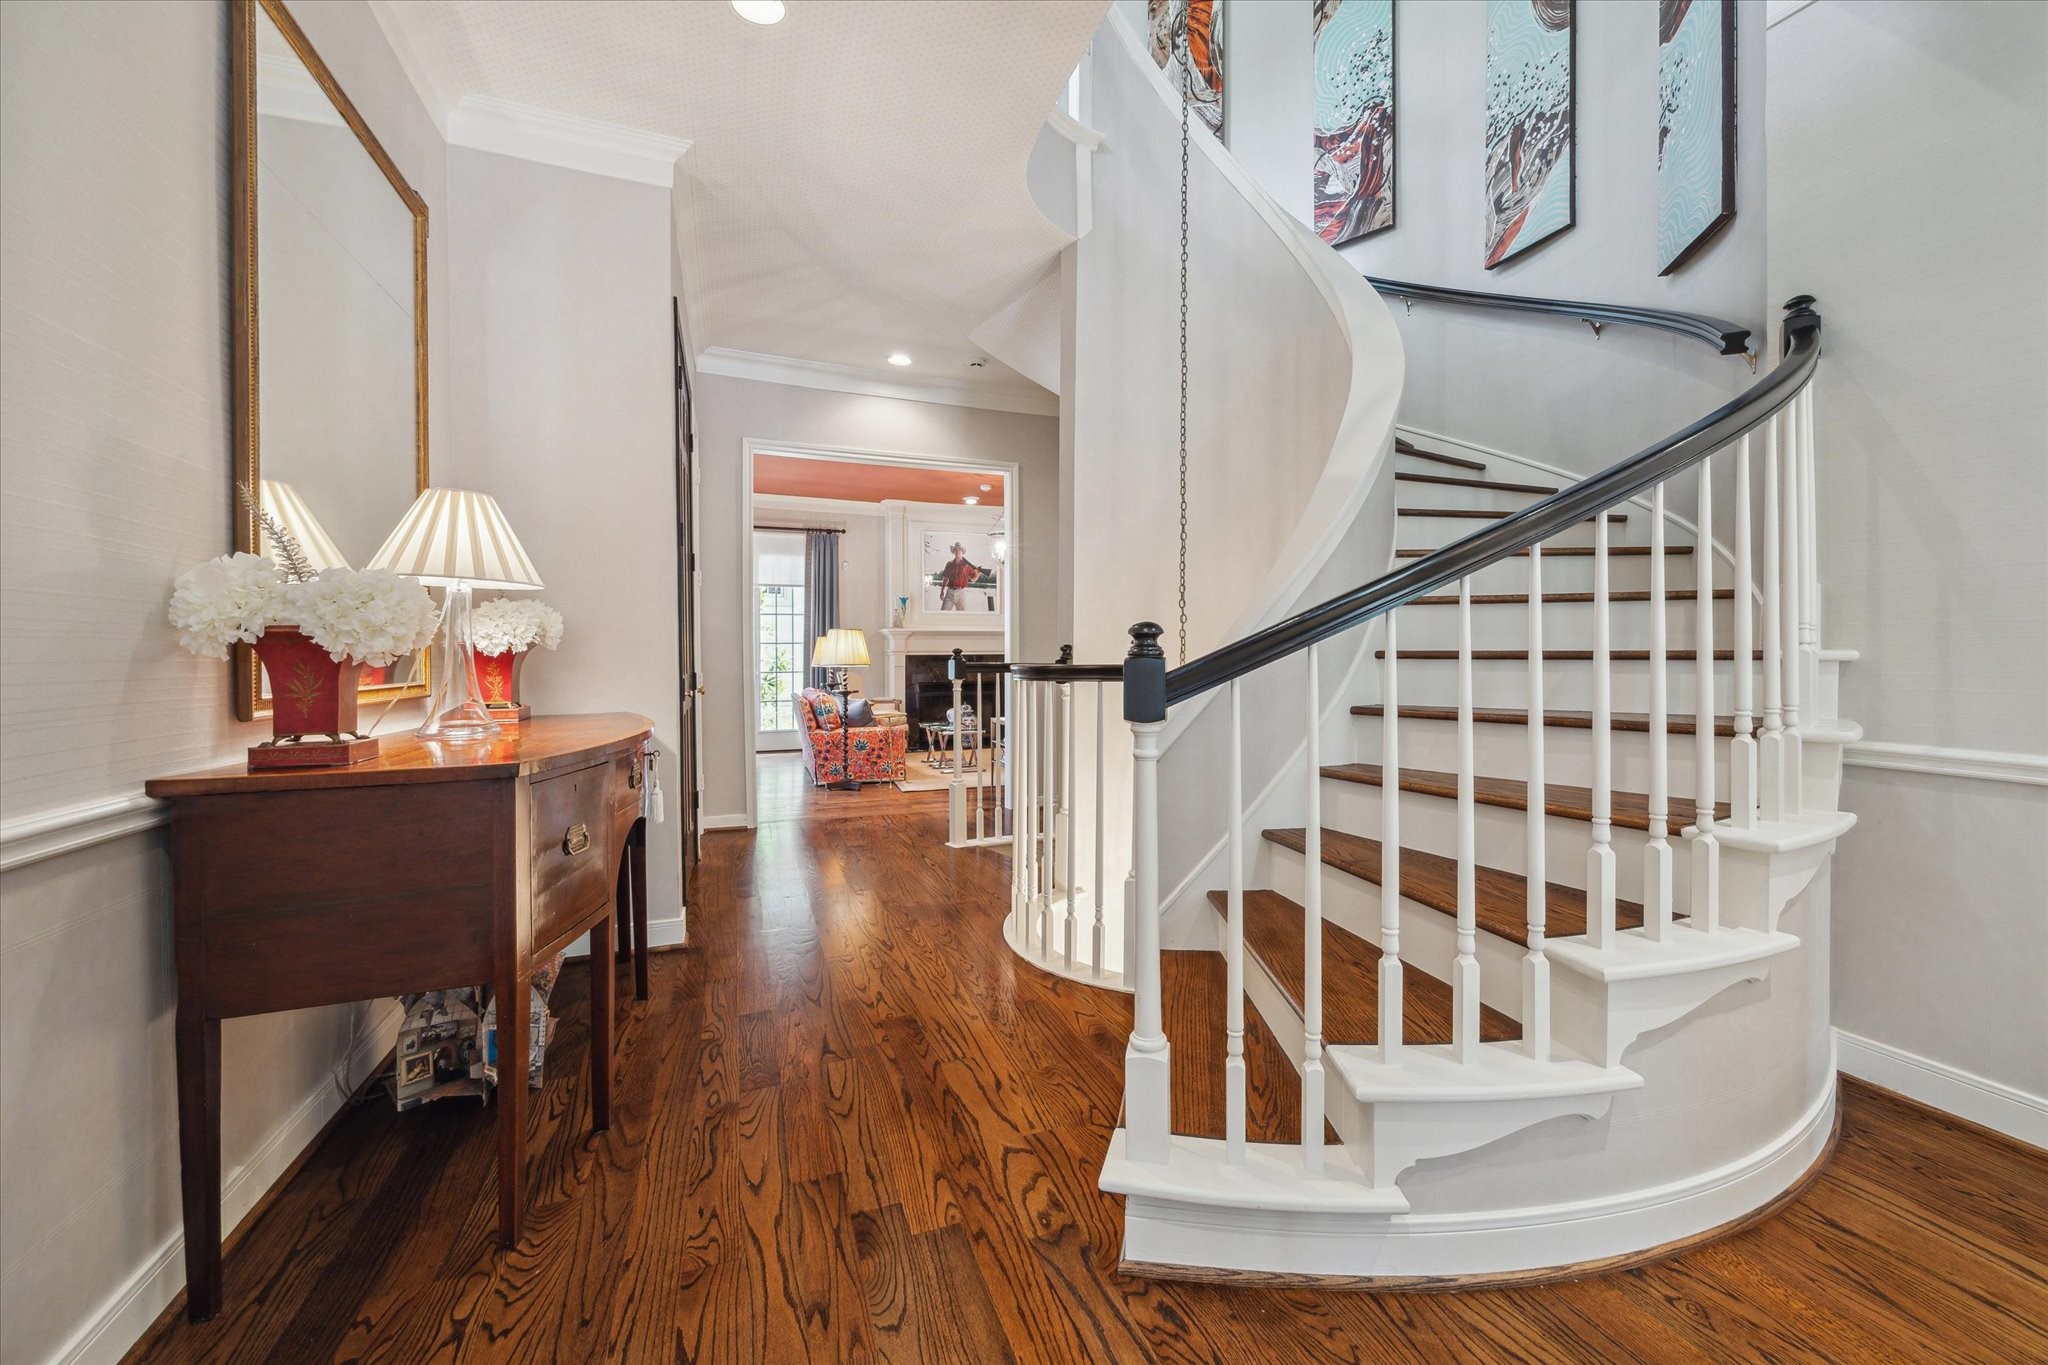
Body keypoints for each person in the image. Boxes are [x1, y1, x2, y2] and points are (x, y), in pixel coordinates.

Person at [937, 541, 984, 611]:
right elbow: (945, 578)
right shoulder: (949, 564)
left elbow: (973, 579)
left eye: (959, 550)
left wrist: (978, 574)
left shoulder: (967, 565)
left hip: (961, 593)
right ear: (954, 552)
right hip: (950, 592)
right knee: (943, 613)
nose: (958, 551)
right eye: (956, 550)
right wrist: (942, 591)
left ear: (962, 552)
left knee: (963, 616)